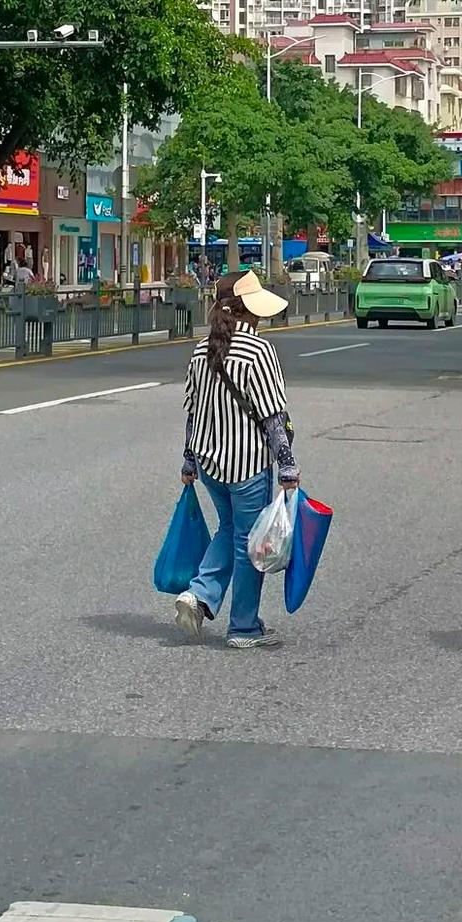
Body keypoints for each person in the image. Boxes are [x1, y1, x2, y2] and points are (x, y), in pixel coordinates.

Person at [175, 270, 298, 649]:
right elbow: (272, 415)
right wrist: (288, 465)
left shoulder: (200, 350)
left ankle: (199, 594)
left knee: (230, 529)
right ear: (250, 311)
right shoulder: (258, 351)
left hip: (210, 462)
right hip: (247, 465)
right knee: (251, 544)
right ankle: (243, 627)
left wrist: (189, 462)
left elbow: (193, 410)